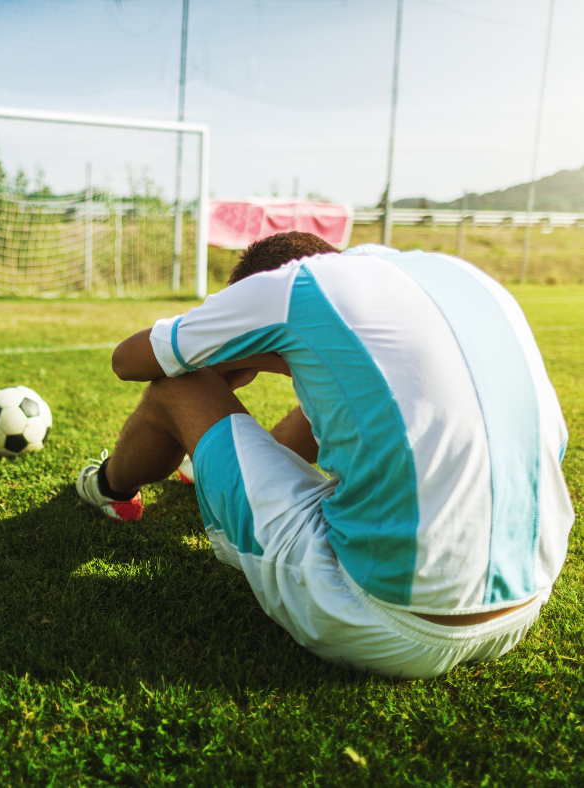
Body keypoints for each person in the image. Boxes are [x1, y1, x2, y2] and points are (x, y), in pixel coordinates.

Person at [75, 232, 574, 680]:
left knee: (182, 385)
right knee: (344, 388)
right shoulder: (459, 273)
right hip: (526, 601)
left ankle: (109, 488)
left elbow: (129, 360)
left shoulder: (287, 285)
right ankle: (205, 468)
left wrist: (241, 352)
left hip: (383, 620)